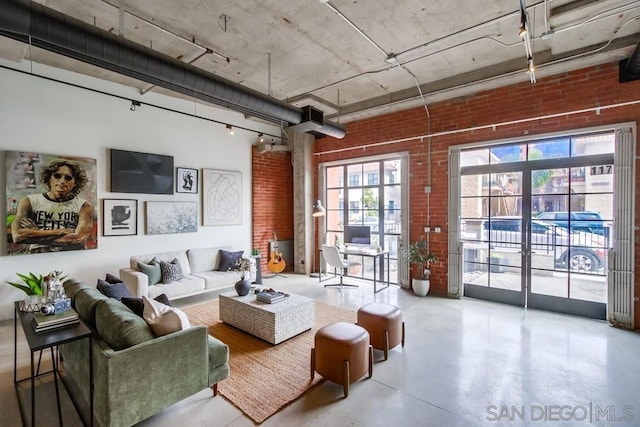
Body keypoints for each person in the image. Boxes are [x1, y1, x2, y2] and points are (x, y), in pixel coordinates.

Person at [11, 158, 94, 252]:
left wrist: (35, 233)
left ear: (75, 183)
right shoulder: (29, 201)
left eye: (68, 177)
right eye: (57, 176)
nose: (62, 181)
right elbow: (18, 236)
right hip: (37, 257)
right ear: (49, 178)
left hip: (71, 257)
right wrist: (60, 232)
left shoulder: (84, 206)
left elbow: (78, 239)